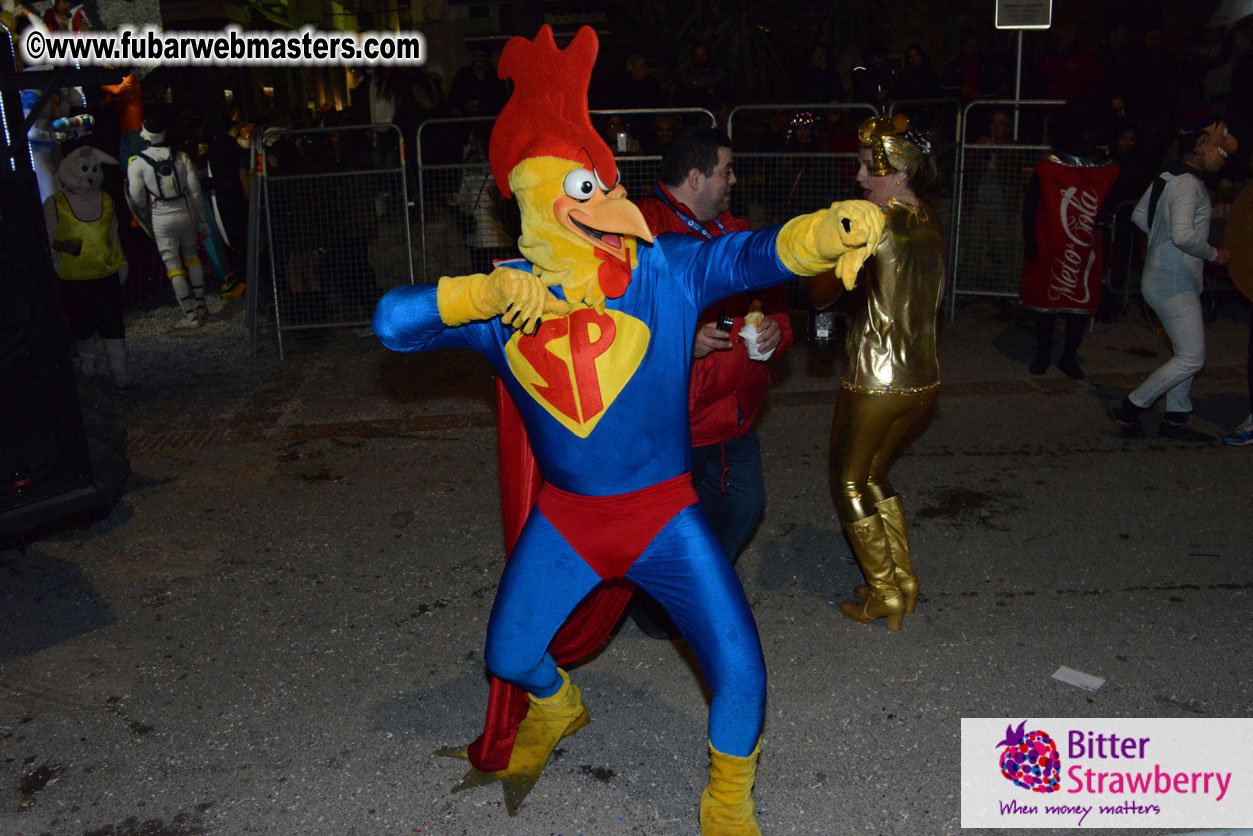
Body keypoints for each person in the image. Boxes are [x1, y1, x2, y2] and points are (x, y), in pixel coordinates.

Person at [373, 25, 883, 834]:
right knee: (507, 657)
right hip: (567, 522)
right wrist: (474, 298)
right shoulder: (503, 300)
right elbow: (391, 324)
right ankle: (559, 706)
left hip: (662, 517)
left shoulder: (663, 271)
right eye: (582, 191)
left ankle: (726, 800)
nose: (606, 207)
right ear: (540, 204)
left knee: (740, 671)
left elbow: (749, 257)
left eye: (602, 186)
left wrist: (824, 233)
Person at [630, 128, 793, 639]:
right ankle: (657, 605)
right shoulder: (637, 230)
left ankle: (690, 588)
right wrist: (679, 337)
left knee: (742, 504)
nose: (734, 180)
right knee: (658, 522)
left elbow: (777, 308)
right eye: (726, 170)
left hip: (731, 416)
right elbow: (608, 318)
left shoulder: (733, 230)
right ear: (695, 176)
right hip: (667, 421)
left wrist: (775, 335)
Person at [807, 113, 945, 632]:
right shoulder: (927, 220)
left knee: (847, 481)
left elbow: (820, 293)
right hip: (923, 377)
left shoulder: (872, 223)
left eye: (869, 168)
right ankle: (903, 580)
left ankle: (884, 593)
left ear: (899, 173)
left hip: (875, 379)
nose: (861, 178)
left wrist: (825, 250)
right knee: (874, 475)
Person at [1109, 116, 1238, 441]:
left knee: (1185, 351)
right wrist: (1214, 254)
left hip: (1162, 278)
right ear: (1201, 145)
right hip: (1173, 283)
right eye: (1217, 142)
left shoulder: (1168, 176)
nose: (1223, 149)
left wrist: (1162, 242)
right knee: (1193, 357)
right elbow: (1182, 236)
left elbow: (1140, 214)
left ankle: (1176, 418)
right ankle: (1130, 406)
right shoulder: (1189, 185)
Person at [1019, 102, 1120, 379]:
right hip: (1050, 244)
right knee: (1046, 305)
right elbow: (1030, 208)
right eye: (1084, 132)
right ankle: (1042, 354)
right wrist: (1030, 243)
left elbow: (1110, 207)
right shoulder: (1048, 168)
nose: (1089, 138)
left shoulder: (1108, 170)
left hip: (1085, 249)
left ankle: (1068, 357)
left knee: (1080, 305)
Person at [43, 145, 129, 388]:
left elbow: (114, 234)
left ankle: (120, 371)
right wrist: (61, 249)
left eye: (94, 168)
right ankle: (88, 365)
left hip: (105, 272)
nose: (90, 174)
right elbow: (48, 237)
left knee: (113, 323)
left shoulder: (106, 199)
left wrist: (121, 262)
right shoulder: (55, 204)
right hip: (73, 277)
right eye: (84, 168)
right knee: (82, 324)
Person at [127, 118, 210, 329]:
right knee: (192, 258)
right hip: (185, 212)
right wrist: (201, 219)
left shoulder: (137, 162)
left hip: (161, 216)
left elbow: (136, 197)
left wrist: (145, 212)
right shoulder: (181, 157)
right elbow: (196, 191)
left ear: (145, 136)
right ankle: (201, 305)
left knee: (173, 265)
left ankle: (190, 315)